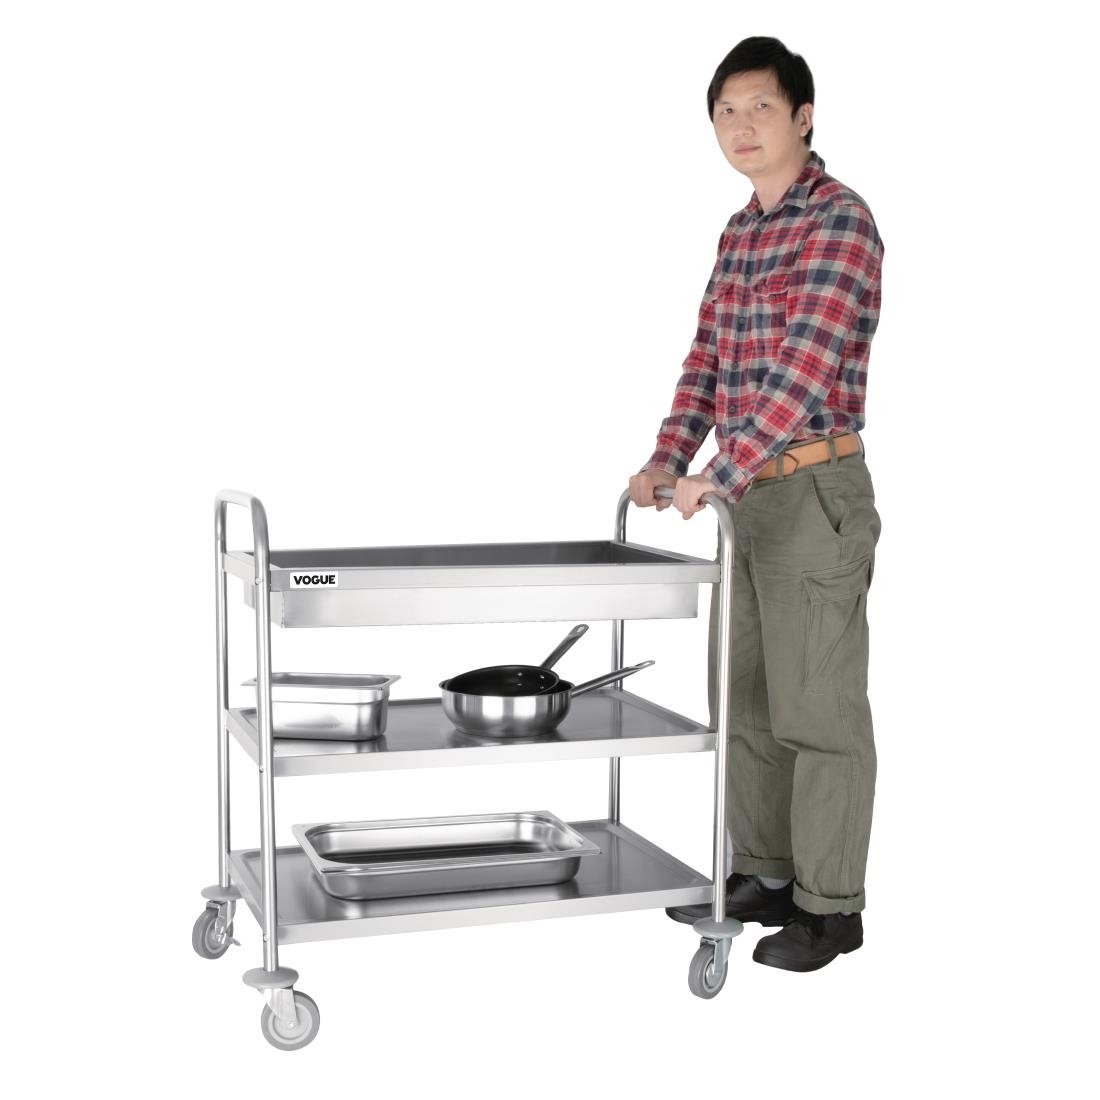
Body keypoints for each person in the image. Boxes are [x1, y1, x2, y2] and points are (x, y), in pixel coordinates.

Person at [628, 36, 884, 973]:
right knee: (744, 701)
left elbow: (802, 369)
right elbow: (708, 360)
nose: (741, 126)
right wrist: (666, 458)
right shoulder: (740, 232)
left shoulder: (839, 221)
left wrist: (721, 469)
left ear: (803, 117)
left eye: (760, 108)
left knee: (817, 710)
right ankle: (767, 874)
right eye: (725, 112)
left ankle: (830, 907)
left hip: (812, 492)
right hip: (745, 502)